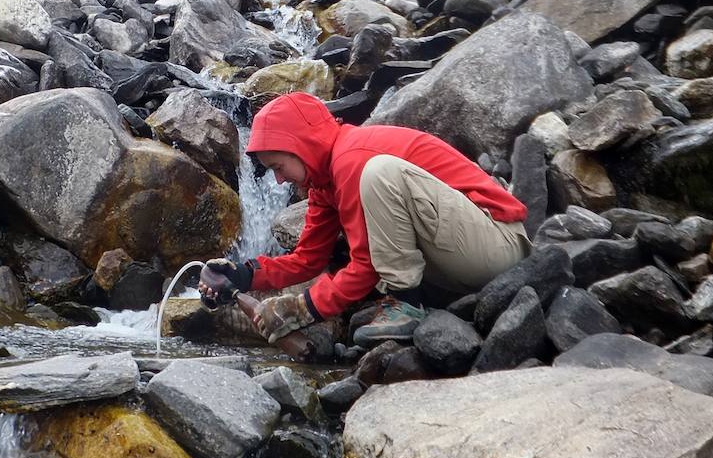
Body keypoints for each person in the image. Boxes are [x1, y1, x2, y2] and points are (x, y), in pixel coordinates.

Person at [199, 92, 531, 347]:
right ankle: (407, 299)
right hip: (460, 256)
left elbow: (368, 262)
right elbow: (307, 260)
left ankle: (405, 303)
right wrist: (242, 276)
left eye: (279, 168)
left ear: (302, 146)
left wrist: (303, 308)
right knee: (378, 182)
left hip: (498, 246)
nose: (281, 181)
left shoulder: (353, 159)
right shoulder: (324, 182)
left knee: (380, 172)